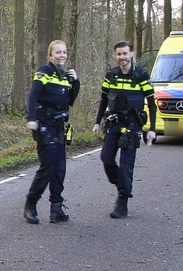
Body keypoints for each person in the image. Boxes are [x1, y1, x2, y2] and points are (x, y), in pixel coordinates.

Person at [92, 41, 157, 218]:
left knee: (127, 165)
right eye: (119, 54)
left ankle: (122, 202)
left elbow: (152, 104)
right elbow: (104, 100)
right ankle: (120, 182)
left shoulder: (141, 75)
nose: (122, 57)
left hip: (132, 124)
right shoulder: (111, 75)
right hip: (114, 123)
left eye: (125, 54)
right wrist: (97, 122)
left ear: (132, 54)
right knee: (106, 158)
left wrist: (152, 128)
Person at [23, 40, 80, 224]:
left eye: (64, 52)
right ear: (50, 55)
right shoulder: (44, 72)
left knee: (59, 169)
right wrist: (32, 118)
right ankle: (30, 204)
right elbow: (33, 95)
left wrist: (76, 82)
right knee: (47, 167)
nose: (62, 55)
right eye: (58, 52)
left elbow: (69, 100)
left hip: (59, 126)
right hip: (45, 124)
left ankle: (56, 209)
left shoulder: (63, 76)